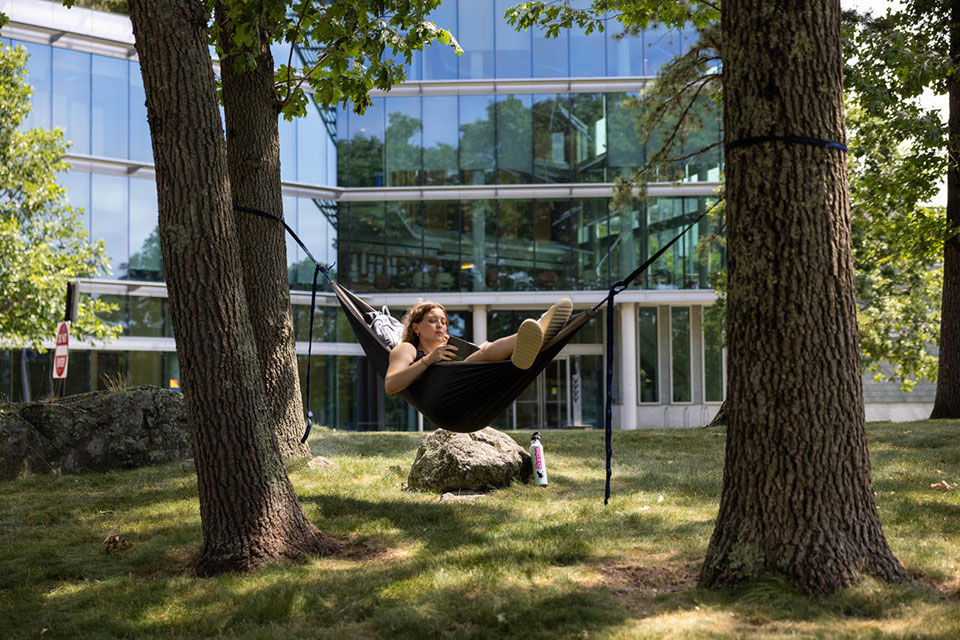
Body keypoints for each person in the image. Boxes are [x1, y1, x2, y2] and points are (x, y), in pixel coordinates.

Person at [384, 298, 573, 395]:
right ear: (415, 327)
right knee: (485, 350)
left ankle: (535, 341)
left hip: (469, 388)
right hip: (444, 394)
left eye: (444, 321)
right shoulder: (407, 349)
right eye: (432, 321)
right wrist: (429, 360)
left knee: (485, 348)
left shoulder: (451, 346)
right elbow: (391, 385)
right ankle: (541, 328)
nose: (440, 325)